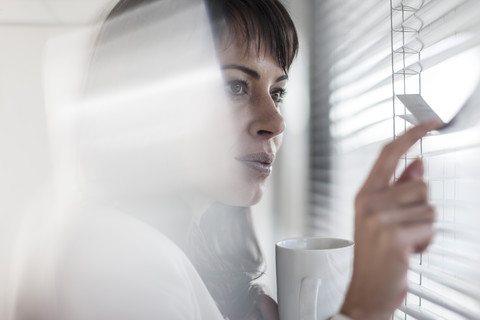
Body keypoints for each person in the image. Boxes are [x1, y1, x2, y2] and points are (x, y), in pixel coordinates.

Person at [14, 0, 438, 319]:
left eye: (278, 92)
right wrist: (364, 307)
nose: (275, 122)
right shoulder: (119, 257)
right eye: (235, 86)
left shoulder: (124, 234)